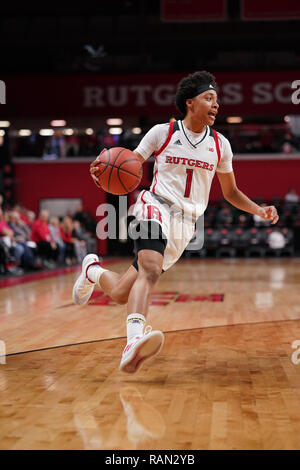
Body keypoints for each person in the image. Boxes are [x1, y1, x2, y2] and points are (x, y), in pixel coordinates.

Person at [72, 70, 279, 374]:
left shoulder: (221, 145)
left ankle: (91, 269)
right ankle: (133, 341)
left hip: (185, 225)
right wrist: (102, 169)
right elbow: (127, 163)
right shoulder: (163, 132)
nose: (216, 104)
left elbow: (231, 192)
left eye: (217, 99)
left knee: (119, 294)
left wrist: (258, 210)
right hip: (154, 206)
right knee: (151, 270)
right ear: (190, 102)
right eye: (209, 98)